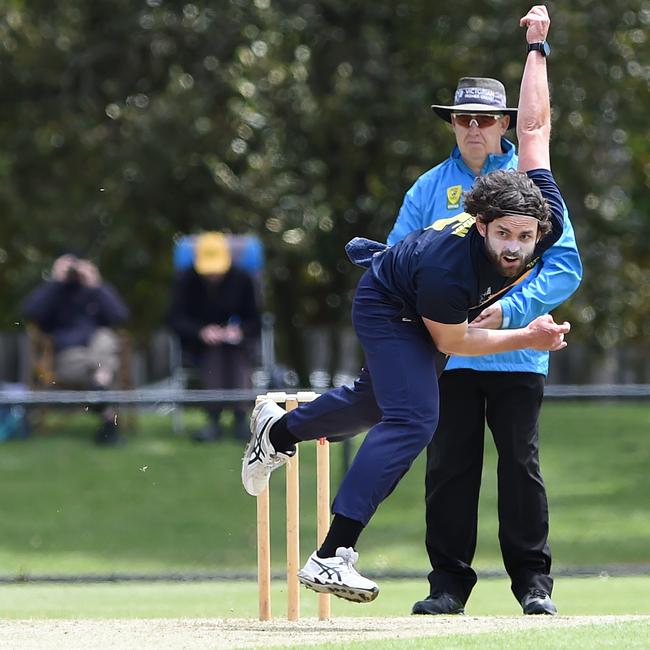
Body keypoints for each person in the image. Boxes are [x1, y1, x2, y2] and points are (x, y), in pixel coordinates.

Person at [242, 5, 568, 604]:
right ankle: (331, 555)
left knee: (372, 405)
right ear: (481, 225)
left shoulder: (537, 211)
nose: (516, 249)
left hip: (430, 306)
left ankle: (280, 429)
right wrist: (529, 336)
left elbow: (535, 130)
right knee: (415, 417)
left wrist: (537, 49)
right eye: (503, 237)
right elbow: (453, 342)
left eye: (525, 238)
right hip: (392, 304)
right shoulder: (451, 267)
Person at [388, 43, 581, 619]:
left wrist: (510, 313)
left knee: (520, 466)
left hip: (518, 358)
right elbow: (400, 258)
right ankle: (448, 584)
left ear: (504, 124)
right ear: (452, 122)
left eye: (486, 119)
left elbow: (564, 265)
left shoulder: (529, 182)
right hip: (449, 356)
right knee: (449, 466)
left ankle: (533, 584)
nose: (474, 129)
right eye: (463, 118)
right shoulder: (427, 189)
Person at [22, 253, 130, 445]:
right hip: (69, 357)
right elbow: (30, 312)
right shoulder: (53, 293)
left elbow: (120, 316)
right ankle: (106, 416)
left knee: (105, 338)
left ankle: (99, 387)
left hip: (98, 353)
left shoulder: (94, 291)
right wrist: (56, 282)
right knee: (103, 364)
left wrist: (96, 284)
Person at [169, 232, 261, 442]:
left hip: (238, 344)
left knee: (237, 357)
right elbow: (175, 319)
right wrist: (201, 331)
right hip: (199, 346)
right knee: (214, 356)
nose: (213, 275)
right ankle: (214, 418)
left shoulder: (242, 279)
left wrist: (239, 332)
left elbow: (255, 320)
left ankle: (240, 417)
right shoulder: (185, 280)